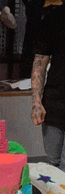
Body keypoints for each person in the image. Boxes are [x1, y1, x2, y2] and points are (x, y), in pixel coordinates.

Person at [31, 2, 65, 172]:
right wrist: (36, 102)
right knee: (52, 168)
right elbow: (40, 62)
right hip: (55, 103)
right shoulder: (55, 16)